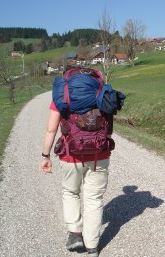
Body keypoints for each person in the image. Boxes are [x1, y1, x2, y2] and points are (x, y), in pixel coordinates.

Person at [40, 67, 114, 257]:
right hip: (99, 154)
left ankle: (75, 234)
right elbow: (108, 128)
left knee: (71, 192)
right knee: (94, 199)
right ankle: (92, 246)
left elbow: (51, 129)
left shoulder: (62, 95)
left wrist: (45, 155)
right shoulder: (102, 91)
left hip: (70, 155)